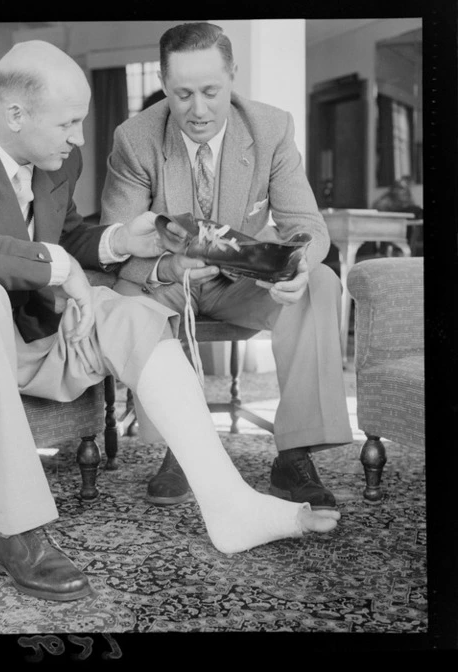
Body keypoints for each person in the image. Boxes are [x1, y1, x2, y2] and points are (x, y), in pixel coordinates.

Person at [0, 39, 340, 603]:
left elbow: (64, 237)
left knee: (131, 311)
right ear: (16, 115)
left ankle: (228, 504)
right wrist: (61, 266)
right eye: (69, 122)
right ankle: (17, 532)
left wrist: (116, 239)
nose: (79, 138)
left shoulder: (53, 156)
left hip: (27, 330)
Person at [101, 22, 353, 509]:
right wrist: (170, 268)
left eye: (211, 92)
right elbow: (118, 244)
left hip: (240, 281)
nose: (198, 110)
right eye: (183, 94)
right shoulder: (134, 139)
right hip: (167, 281)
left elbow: (308, 225)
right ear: (163, 80)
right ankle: (180, 445)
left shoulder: (271, 127)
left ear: (233, 76)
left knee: (319, 283)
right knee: (128, 300)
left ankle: (294, 454)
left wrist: (297, 262)